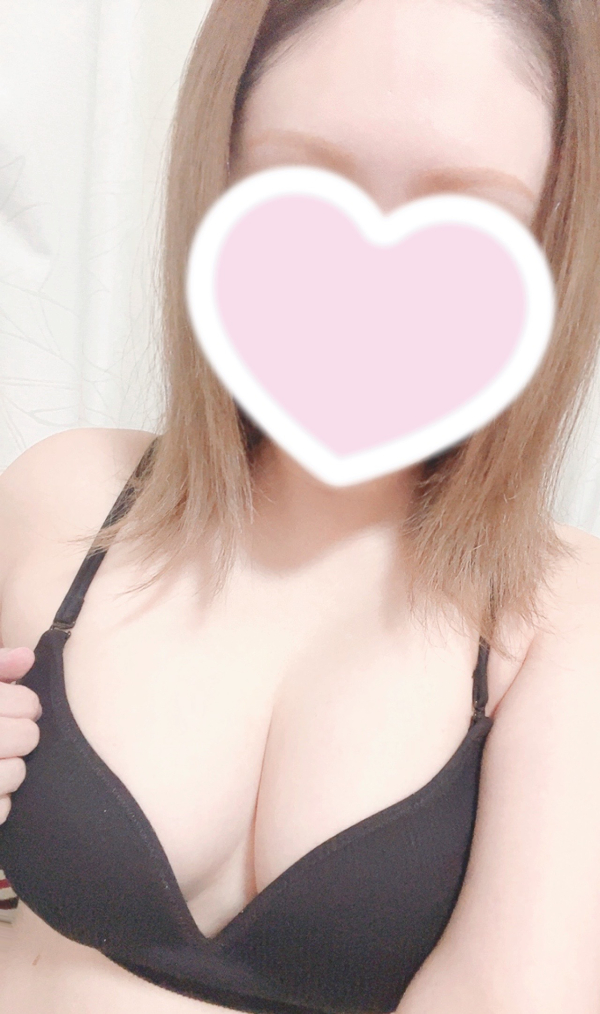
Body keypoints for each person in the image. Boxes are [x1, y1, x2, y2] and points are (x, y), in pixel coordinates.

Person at [1, 0, 600, 1011]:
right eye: (302, 182)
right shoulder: (61, 495)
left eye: (471, 214)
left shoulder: (564, 618)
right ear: (219, 173)